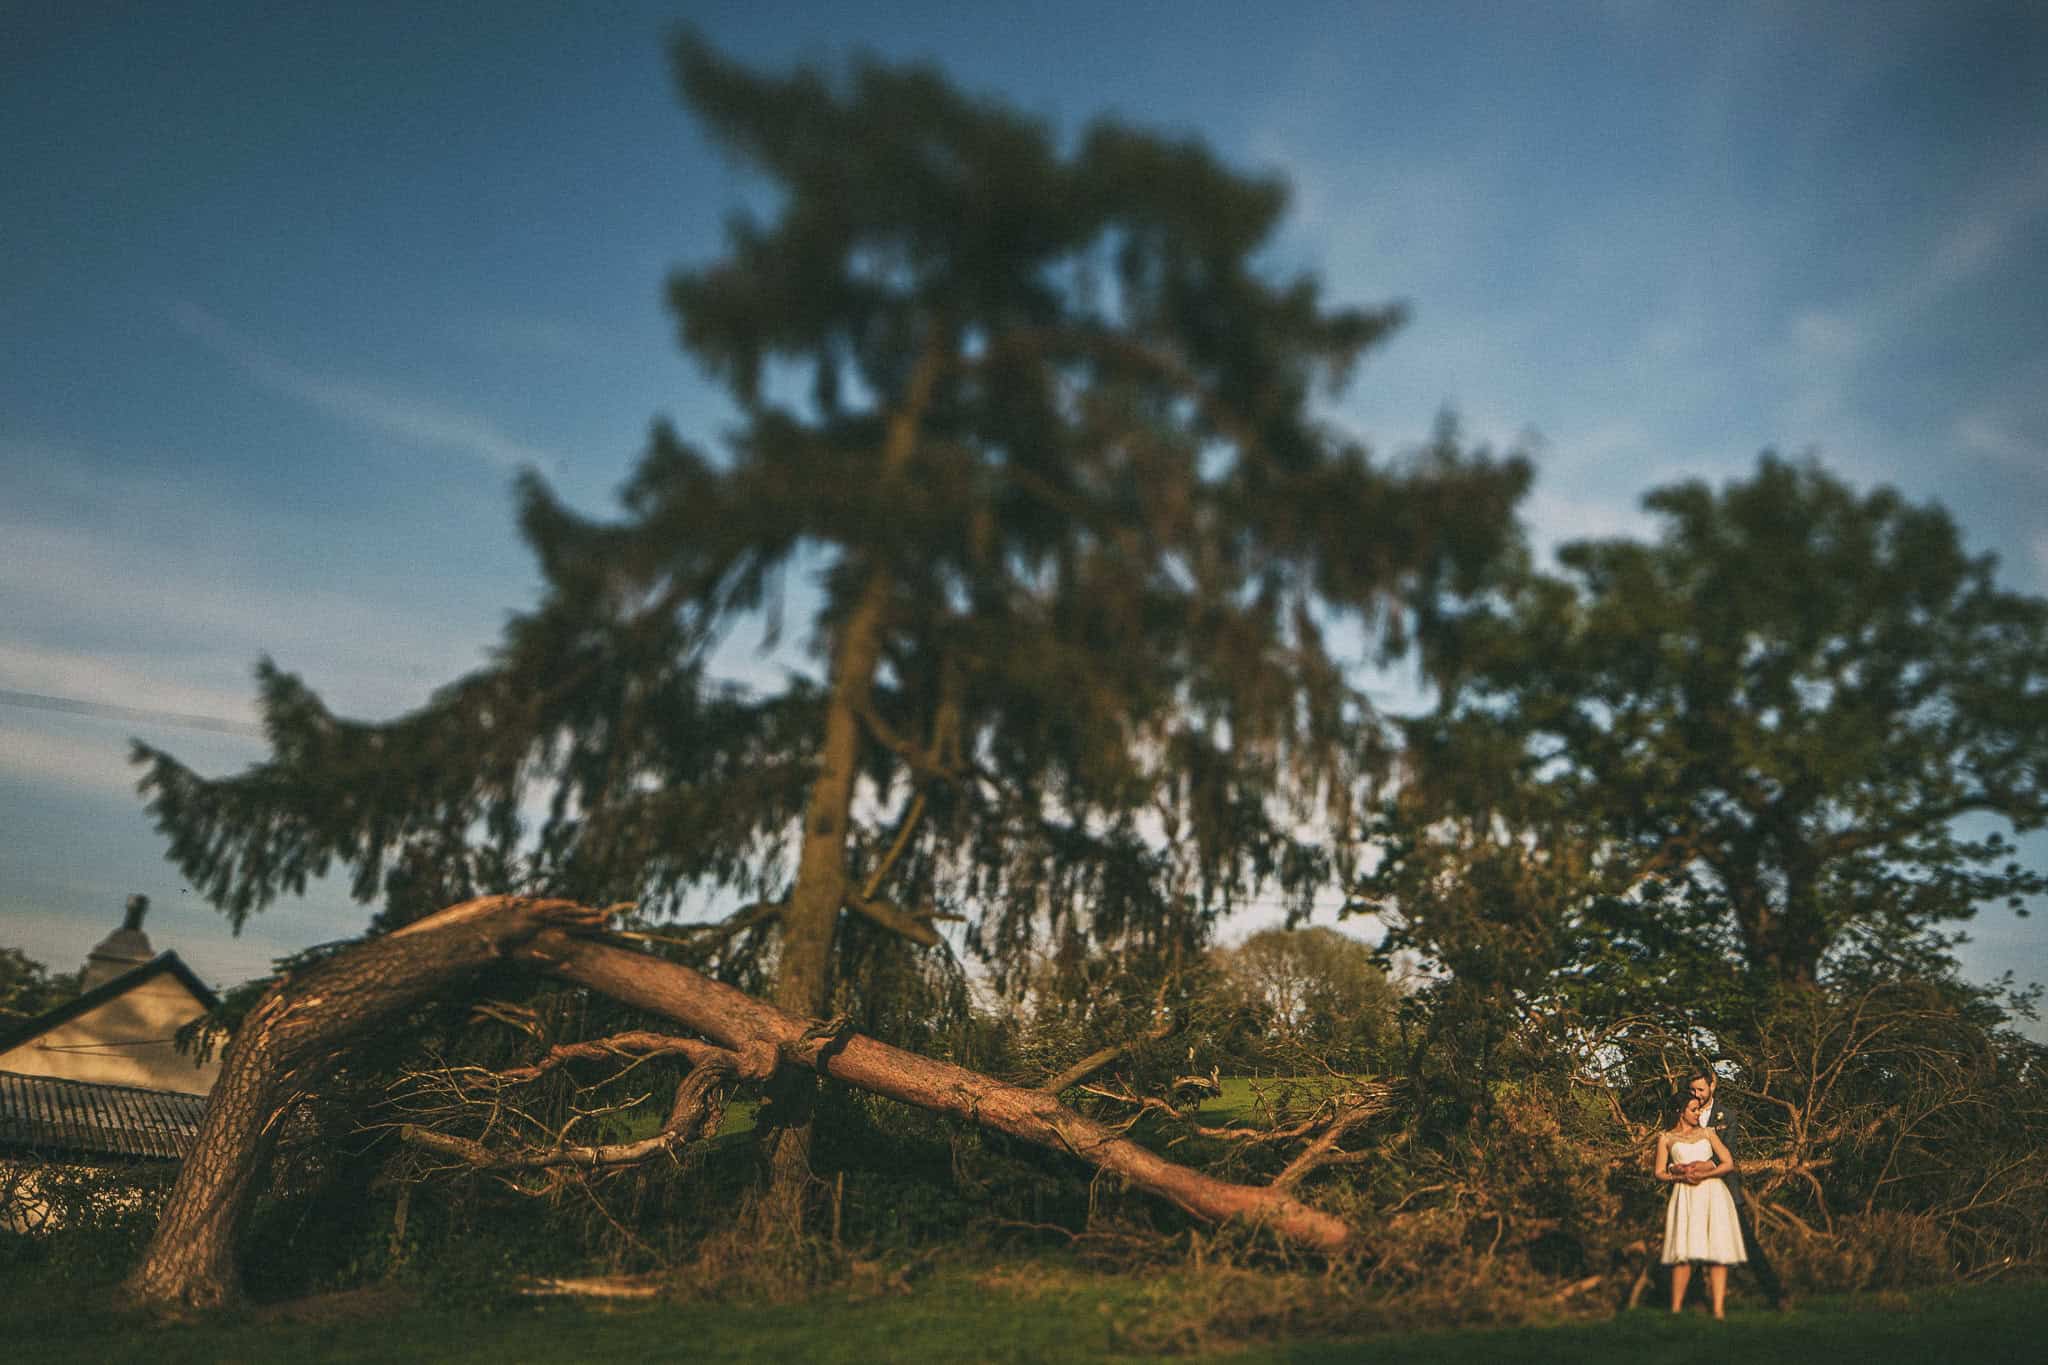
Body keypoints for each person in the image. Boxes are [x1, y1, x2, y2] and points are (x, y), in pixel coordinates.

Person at [1688, 1068, 1787, 1309]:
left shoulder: (1727, 1116)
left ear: (1713, 1086)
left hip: (1724, 1190)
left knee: (1746, 1243)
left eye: (1701, 1089)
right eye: (1692, 1090)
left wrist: (1704, 1166)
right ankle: (1695, 1299)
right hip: (1694, 1189)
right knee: (1693, 1246)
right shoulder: (1684, 1114)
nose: (1697, 1094)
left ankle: (1777, 1296)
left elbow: (1729, 1153)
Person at [1656, 1091, 1744, 1318]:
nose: (1698, 1114)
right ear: (1680, 1112)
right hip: (1685, 1194)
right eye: (1693, 1110)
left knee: (1718, 1251)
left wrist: (1706, 1172)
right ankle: (1675, 1309)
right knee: (1683, 1252)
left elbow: (1728, 1163)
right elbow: (1659, 1172)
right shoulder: (1666, 1138)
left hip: (1712, 1193)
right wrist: (1678, 1176)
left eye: (1699, 1109)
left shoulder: (1708, 1133)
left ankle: (1718, 1310)